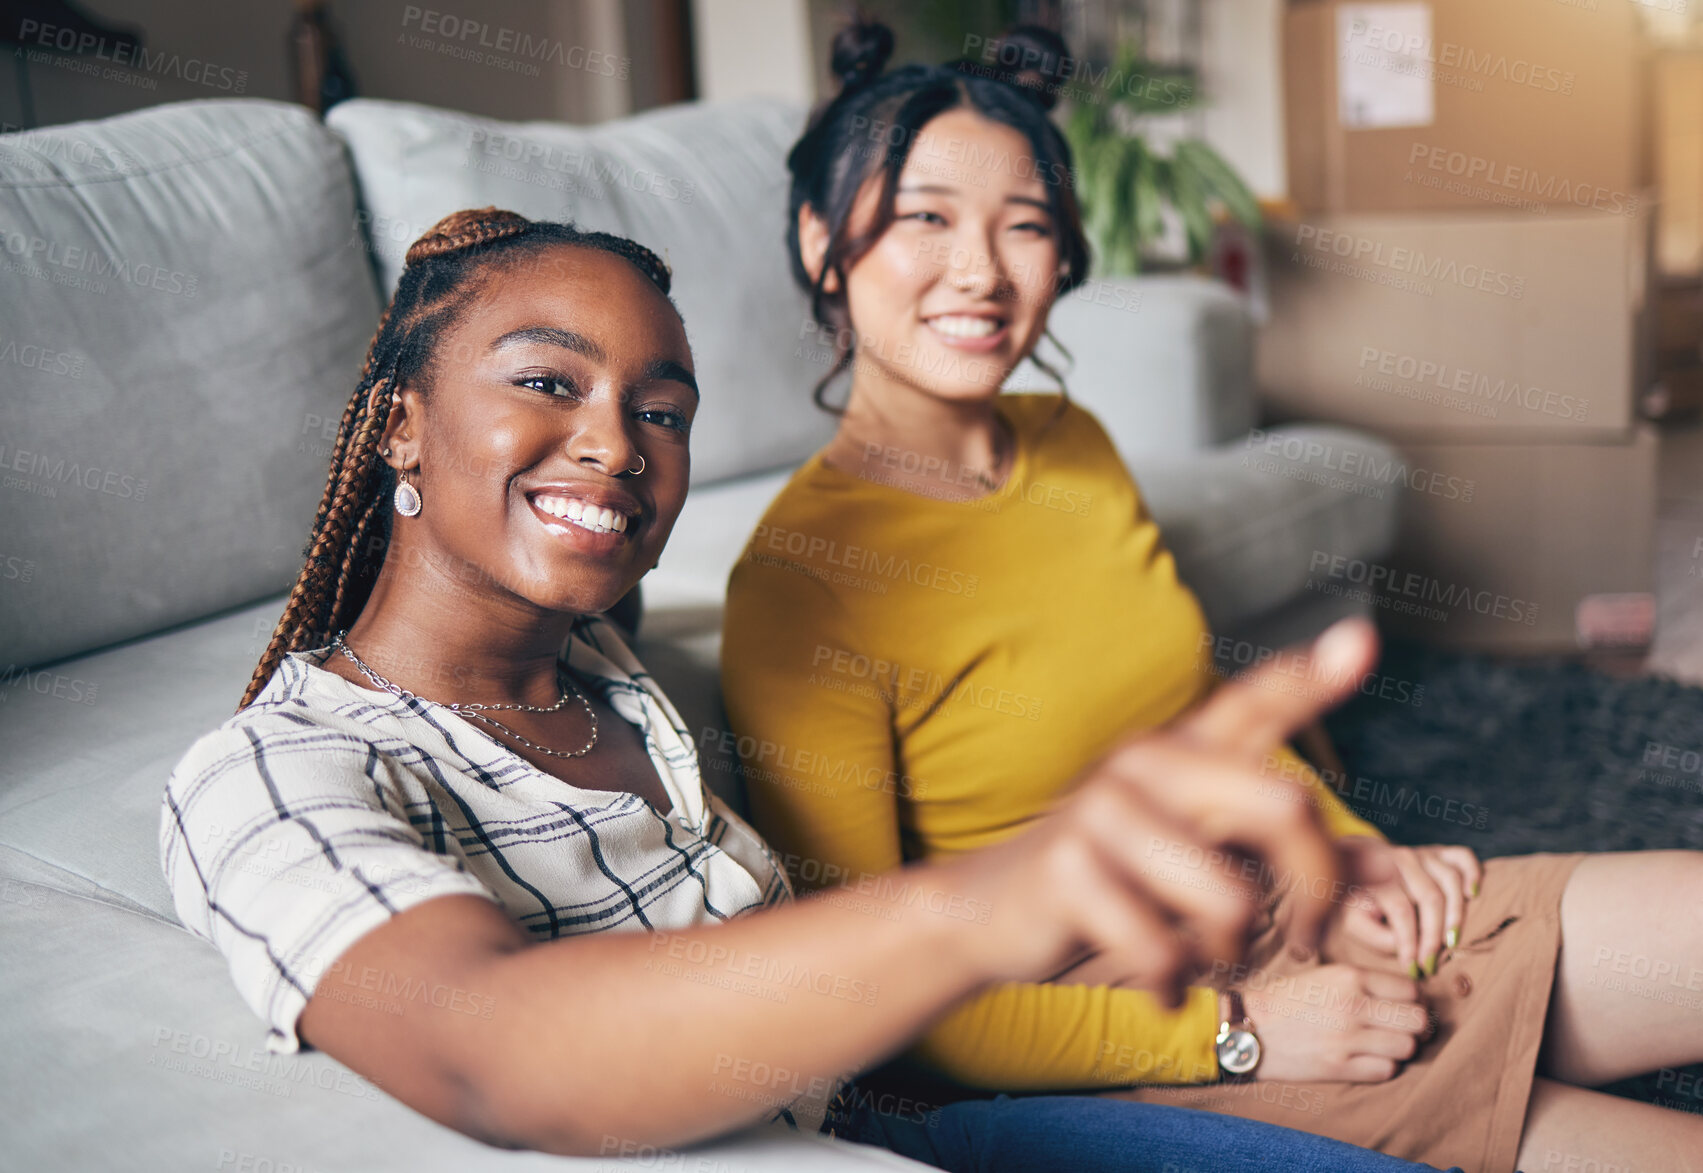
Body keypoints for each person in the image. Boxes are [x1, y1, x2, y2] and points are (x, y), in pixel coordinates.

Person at [158, 207, 1453, 1172]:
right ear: (399, 423)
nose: (617, 443)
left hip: (906, 1100)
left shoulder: (606, 672)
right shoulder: (274, 773)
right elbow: (492, 1045)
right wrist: (989, 904)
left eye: (661, 411)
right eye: (547, 382)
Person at [719, 19, 1703, 1173]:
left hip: (1286, 901)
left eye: (1024, 224)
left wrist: (1349, 858)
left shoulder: (1068, 442)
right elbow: (880, 997)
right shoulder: (800, 588)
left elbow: (1194, 728)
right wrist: (1236, 1038)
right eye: (924, 216)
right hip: (1121, 1015)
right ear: (819, 237)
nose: (981, 270)